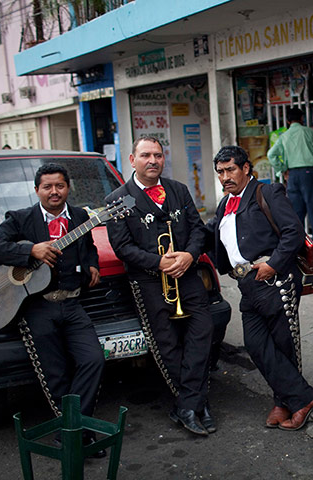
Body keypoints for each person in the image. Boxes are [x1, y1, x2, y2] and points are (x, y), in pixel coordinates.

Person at [0, 163, 106, 457]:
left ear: (68, 188)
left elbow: (89, 245)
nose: (54, 192)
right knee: (55, 374)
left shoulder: (79, 216)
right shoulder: (21, 219)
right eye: (47, 187)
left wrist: (92, 264)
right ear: (37, 190)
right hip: (38, 307)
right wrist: (30, 251)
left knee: (94, 360)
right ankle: (78, 435)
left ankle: (74, 428)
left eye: (60, 186)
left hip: (73, 304)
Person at [207, 145, 313, 431]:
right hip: (247, 286)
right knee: (256, 345)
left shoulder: (268, 193)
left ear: (246, 168)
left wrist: (274, 263)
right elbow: (209, 235)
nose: (225, 177)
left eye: (230, 169)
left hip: (274, 280)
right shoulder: (225, 204)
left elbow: (293, 232)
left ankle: (288, 403)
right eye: (220, 172)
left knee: (284, 346)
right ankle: (300, 398)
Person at [105, 136, 215, 436]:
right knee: (167, 344)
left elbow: (197, 229)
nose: (152, 160)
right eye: (145, 155)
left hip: (186, 273)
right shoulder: (118, 199)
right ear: (132, 160)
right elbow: (122, 247)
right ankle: (195, 405)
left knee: (204, 330)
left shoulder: (177, 189)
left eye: (157, 155)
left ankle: (187, 404)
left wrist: (190, 255)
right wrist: (159, 263)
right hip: (150, 281)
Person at [267, 107, 313, 251]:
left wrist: (282, 169)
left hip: (292, 175)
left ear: (288, 121)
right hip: (309, 173)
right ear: (302, 119)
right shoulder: (309, 132)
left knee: (296, 211)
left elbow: (271, 154)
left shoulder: (284, 136)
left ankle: (298, 242)